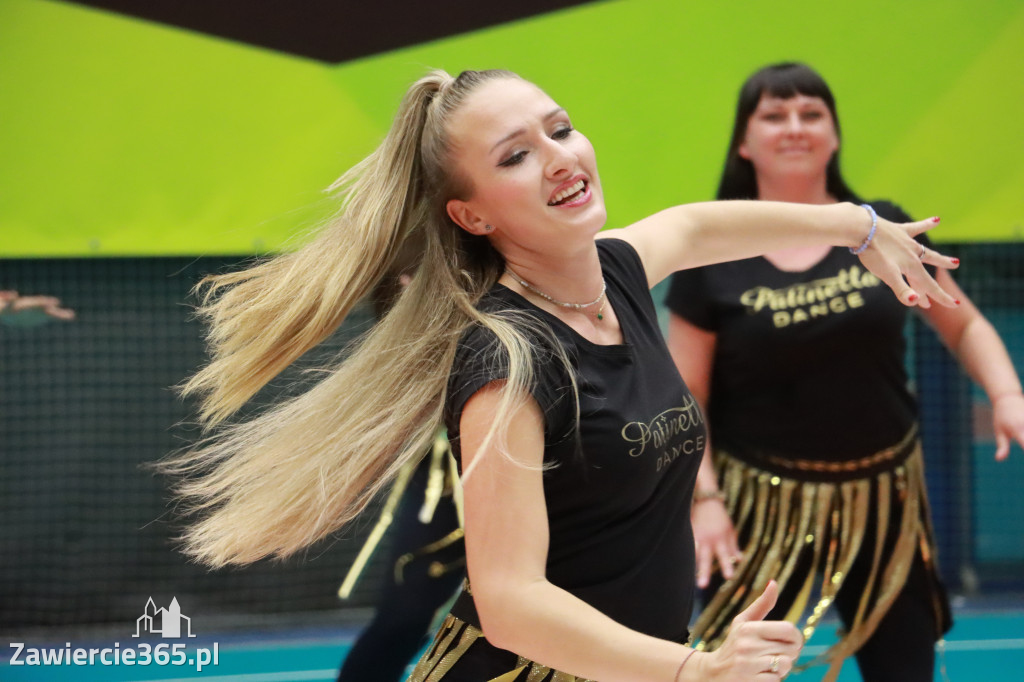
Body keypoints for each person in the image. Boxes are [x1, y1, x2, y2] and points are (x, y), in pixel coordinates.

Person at [163, 68, 959, 682]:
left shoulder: (617, 275)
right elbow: (509, 603)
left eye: (560, 129)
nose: (560, 159)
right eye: (515, 156)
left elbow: (700, 224)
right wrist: (697, 669)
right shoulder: (508, 359)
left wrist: (859, 228)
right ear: (472, 215)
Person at [664, 62, 1024, 682]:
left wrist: (1007, 392)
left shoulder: (881, 226)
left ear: (834, 136)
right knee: (734, 671)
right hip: (759, 508)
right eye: (774, 115)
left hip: (889, 501)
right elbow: (684, 393)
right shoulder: (711, 253)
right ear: (745, 143)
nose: (795, 127)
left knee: (905, 669)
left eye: (811, 113)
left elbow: (962, 323)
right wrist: (706, 499)